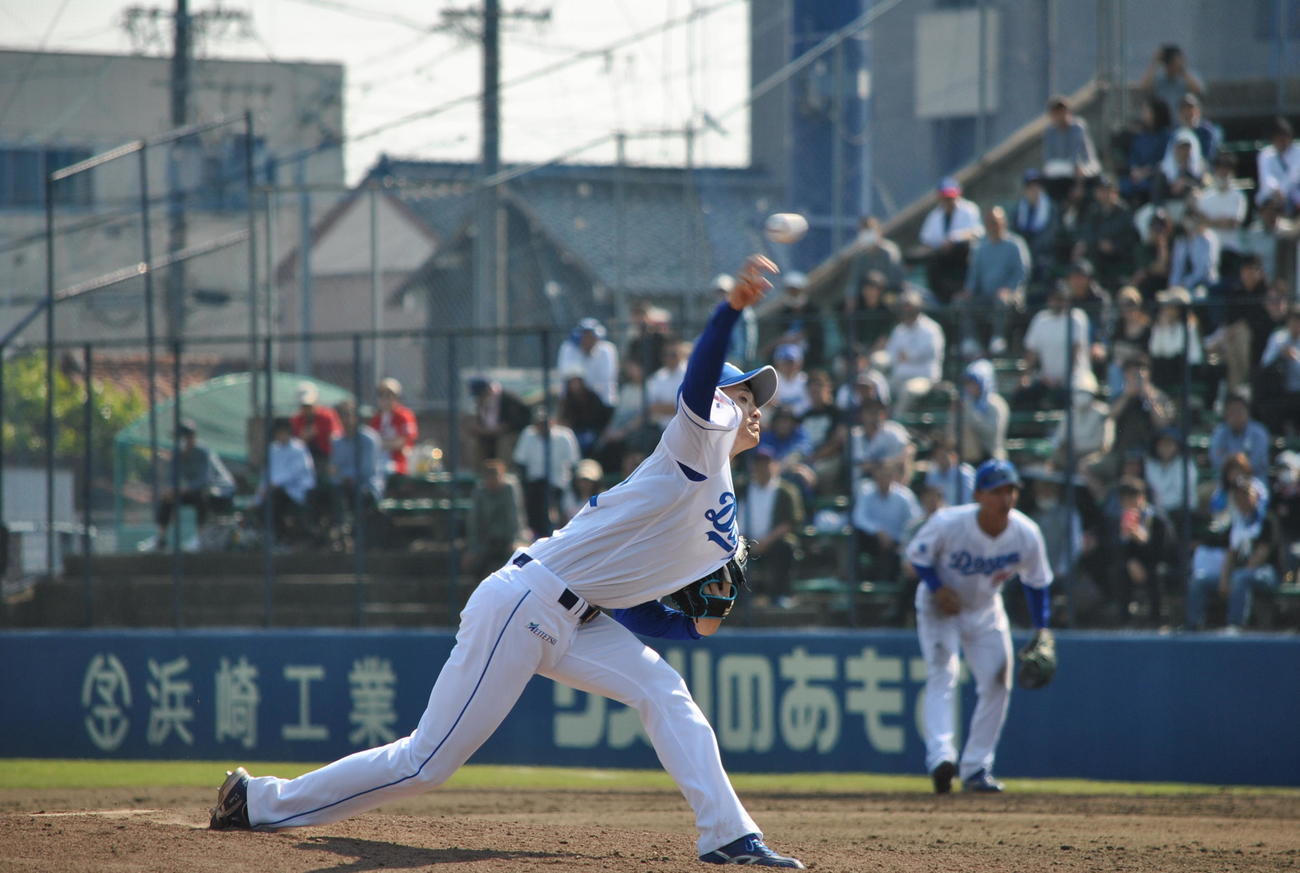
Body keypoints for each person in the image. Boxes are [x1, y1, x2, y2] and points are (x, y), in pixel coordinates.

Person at [208, 254, 807, 870]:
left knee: (664, 689)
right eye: (742, 393)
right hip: (526, 603)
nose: (753, 406)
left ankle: (728, 835)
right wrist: (729, 311)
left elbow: (633, 605)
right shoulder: (696, 442)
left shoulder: (722, 510)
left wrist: (689, 627)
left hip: (582, 615)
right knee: (426, 762)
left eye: (755, 398)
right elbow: (696, 384)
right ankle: (257, 801)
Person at [906, 459, 1052, 794]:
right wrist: (937, 587)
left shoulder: (1025, 533)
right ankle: (941, 759)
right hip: (939, 605)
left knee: (998, 683)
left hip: (985, 608)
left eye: (1011, 490)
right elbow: (918, 556)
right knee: (943, 673)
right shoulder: (949, 523)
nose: (1006, 498)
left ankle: (976, 767)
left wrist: (1041, 629)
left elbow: (1037, 582)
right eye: (997, 491)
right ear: (978, 496)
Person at [1186, 472, 1279, 632]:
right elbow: (1231, 553)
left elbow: (1261, 554)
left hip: (1267, 573)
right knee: (1199, 580)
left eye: (1246, 494)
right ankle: (1193, 625)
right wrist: (1224, 579)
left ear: (1255, 496)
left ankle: (1235, 625)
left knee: (1240, 578)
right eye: (1238, 495)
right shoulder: (1237, 523)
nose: (1241, 499)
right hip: (1239, 573)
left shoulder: (1266, 520)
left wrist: (1234, 578)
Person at [143, 419, 235, 551]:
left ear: (192, 437)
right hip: (191, 491)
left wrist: (183, 489)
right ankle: (161, 538)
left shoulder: (203, 452)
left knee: (201, 496)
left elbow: (205, 480)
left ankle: (200, 539)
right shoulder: (177, 453)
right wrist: (171, 490)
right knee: (168, 498)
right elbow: (173, 478)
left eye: (184, 437)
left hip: (219, 491)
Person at [957, 206, 1029, 357]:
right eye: (989, 223)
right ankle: (971, 342)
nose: (993, 226)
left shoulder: (1015, 245)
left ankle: (998, 339)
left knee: (1001, 300)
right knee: (961, 302)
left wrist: (1009, 289)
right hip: (985, 297)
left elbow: (1022, 273)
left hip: (1011, 296)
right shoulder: (980, 248)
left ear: (1004, 223)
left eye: (996, 222)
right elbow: (974, 276)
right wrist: (968, 291)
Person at [738, 447, 805, 609]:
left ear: (774, 465)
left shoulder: (786, 491)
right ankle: (739, 599)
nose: (762, 468)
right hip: (744, 540)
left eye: (766, 463)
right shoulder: (742, 488)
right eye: (758, 464)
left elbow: (791, 521)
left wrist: (765, 542)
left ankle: (780, 595)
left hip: (774, 541)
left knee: (786, 546)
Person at [512, 407, 581, 539]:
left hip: (559, 485)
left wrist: (573, 486)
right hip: (535, 486)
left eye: (545, 422)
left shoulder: (565, 435)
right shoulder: (528, 434)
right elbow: (520, 462)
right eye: (539, 423)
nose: (542, 426)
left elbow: (574, 463)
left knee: (560, 510)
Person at [917, 176, 984, 304]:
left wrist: (953, 239)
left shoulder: (969, 210)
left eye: (951, 197)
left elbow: (975, 233)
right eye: (945, 197)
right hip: (943, 261)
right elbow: (926, 241)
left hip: (963, 258)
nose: (948, 201)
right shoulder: (934, 215)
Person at [852, 461, 921, 583]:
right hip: (873, 540)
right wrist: (878, 531)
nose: (883, 480)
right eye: (880, 476)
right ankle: (854, 579)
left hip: (898, 542)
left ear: (892, 477)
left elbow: (915, 522)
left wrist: (899, 539)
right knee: (854, 537)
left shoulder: (905, 496)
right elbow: (859, 518)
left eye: (886, 476)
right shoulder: (866, 492)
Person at [460, 458, 525, 581]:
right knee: (473, 563)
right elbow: (474, 522)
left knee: (517, 557)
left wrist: (514, 540)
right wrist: (473, 549)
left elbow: (514, 517)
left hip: (507, 541)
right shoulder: (480, 492)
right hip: (487, 542)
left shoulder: (509, 489)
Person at [255, 417, 316, 544]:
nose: (280, 435)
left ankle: (283, 537)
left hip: (296, 491)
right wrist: (259, 495)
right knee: (263, 506)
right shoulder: (273, 449)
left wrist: (275, 484)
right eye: (278, 432)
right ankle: (275, 537)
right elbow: (266, 474)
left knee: (274, 500)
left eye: (283, 432)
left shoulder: (299, 448)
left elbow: (295, 472)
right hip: (274, 491)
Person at [884, 288, 945, 415]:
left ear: (918, 308)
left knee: (907, 390)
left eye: (909, 307)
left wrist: (909, 355)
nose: (906, 310)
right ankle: (882, 418)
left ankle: (896, 420)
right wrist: (902, 356)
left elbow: (931, 352)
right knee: (881, 386)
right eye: (904, 307)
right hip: (900, 376)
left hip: (925, 378)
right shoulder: (899, 330)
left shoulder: (931, 328)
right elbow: (891, 352)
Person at [327, 399, 385, 530]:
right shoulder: (337, 441)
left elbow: (366, 471)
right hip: (343, 486)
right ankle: (340, 530)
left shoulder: (369, 439)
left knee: (353, 493)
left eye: (348, 415)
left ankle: (350, 530)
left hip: (367, 487)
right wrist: (340, 476)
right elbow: (333, 469)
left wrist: (342, 475)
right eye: (342, 416)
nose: (346, 420)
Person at [1041, 95, 1101, 203]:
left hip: (1085, 167)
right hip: (1062, 169)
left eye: (1062, 111)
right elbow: (1049, 159)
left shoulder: (1077, 127)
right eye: (1056, 112)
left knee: (1080, 170)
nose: (1059, 115)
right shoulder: (1050, 131)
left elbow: (1078, 157)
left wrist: (1078, 186)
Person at [557, 318, 620, 416]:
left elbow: (606, 380)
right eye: (585, 335)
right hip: (577, 405)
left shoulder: (607, 350)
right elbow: (571, 380)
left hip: (603, 403)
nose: (588, 339)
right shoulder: (569, 348)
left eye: (591, 336)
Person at [466, 378, 531, 465]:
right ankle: (482, 469)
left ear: (488, 390)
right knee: (475, 443)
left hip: (508, 436)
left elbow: (522, 421)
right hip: (488, 436)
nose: (479, 398)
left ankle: (505, 469)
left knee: (504, 443)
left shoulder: (509, 399)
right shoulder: (481, 403)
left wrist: (504, 427)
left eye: (481, 395)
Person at [956, 359, 1008, 464]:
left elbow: (990, 432)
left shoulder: (996, 403)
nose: (969, 387)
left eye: (973, 382)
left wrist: (969, 411)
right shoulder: (967, 401)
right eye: (967, 383)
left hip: (992, 458)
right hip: (970, 459)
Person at [1209, 391, 1271, 476]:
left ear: (1248, 412)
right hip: (1226, 480)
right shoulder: (1220, 432)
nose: (1236, 415)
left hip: (1254, 479)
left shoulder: (1258, 433)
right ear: (1226, 414)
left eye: (1240, 411)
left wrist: (1235, 465)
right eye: (1232, 411)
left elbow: (1255, 462)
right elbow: (1216, 460)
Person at [370, 377, 418, 476]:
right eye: (381, 394)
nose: (385, 398)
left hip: (398, 462)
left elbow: (402, 443)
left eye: (389, 395)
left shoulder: (404, 415)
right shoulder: (376, 419)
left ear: (397, 397)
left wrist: (379, 443)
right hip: (378, 459)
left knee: (381, 470)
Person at [290, 382, 341, 473]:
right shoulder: (296, 420)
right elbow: (293, 446)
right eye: (304, 406)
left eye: (309, 405)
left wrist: (321, 434)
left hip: (327, 457)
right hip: (304, 458)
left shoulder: (327, 416)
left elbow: (337, 438)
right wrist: (302, 440)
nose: (307, 409)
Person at [1139, 44, 1204, 112]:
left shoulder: (1190, 77)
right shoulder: (1158, 79)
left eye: (1173, 62)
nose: (1171, 66)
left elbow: (1198, 91)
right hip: (1163, 117)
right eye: (1168, 63)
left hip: (1183, 117)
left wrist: (1182, 69)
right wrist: (1155, 62)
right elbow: (1143, 87)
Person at [1255, 117, 1300, 215]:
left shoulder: (1298, 152)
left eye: (1285, 138)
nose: (1283, 142)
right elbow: (1266, 177)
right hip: (1272, 195)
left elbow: (1294, 175)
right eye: (1279, 138)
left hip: (1294, 195)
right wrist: (1275, 190)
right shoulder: (1266, 154)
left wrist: (1283, 191)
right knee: (1266, 201)